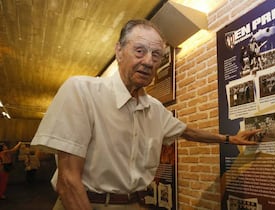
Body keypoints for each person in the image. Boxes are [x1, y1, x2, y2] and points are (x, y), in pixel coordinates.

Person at [30, 19, 259, 210]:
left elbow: (188, 132)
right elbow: (68, 182)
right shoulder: (82, 91)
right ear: (119, 51)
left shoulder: (155, 109)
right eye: (139, 51)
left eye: (156, 55)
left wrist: (229, 139)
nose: (148, 61)